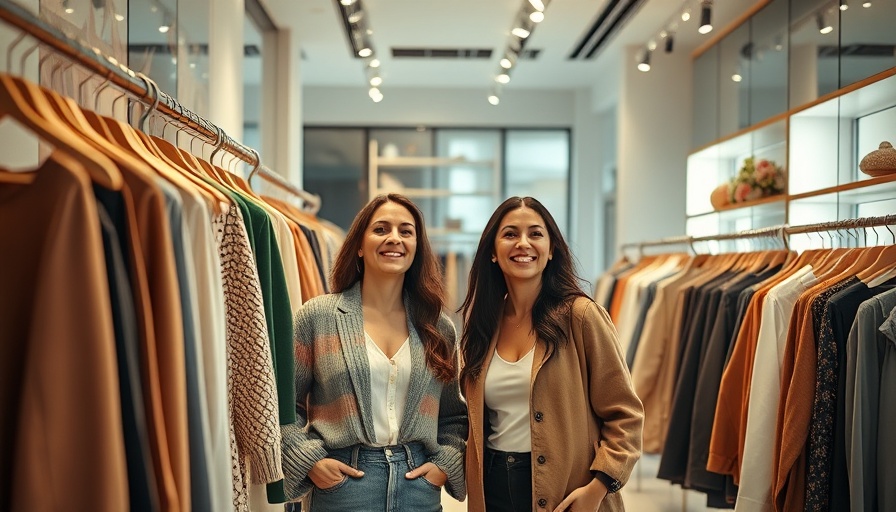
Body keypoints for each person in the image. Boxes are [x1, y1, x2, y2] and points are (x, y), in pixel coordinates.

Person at [280, 193, 467, 511]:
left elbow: (453, 417)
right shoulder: (319, 317)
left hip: (418, 488)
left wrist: (443, 466)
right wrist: (311, 461)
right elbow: (284, 406)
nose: (394, 238)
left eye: (406, 231)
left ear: (417, 248)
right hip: (343, 486)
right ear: (359, 245)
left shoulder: (438, 328)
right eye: (381, 229)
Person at [459, 196, 643, 512]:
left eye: (535, 233)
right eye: (510, 234)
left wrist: (597, 488)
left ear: (551, 249)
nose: (523, 243)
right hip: (493, 488)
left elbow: (626, 414)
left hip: (567, 490)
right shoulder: (483, 325)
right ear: (492, 251)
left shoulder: (581, 316)